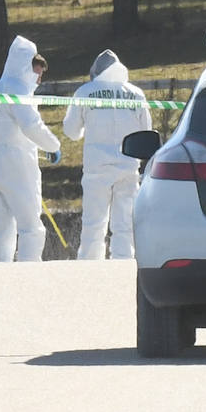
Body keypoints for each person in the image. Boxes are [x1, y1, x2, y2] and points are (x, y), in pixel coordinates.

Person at [63, 50, 152, 260]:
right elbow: (146, 131)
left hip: (97, 168)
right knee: (125, 224)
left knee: (94, 222)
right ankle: (122, 265)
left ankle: (90, 266)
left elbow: (71, 131)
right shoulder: (136, 93)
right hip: (128, 167)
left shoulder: (85, 92)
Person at [0, 36, 60, 262]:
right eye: (37, 72)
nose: (38, 79)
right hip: (16, 162)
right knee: (30, 225)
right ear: (26, 67)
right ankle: (29, 271)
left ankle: (0, 269)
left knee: (1, 223)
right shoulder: (17, 89)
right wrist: (52, 145)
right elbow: (31, 125)